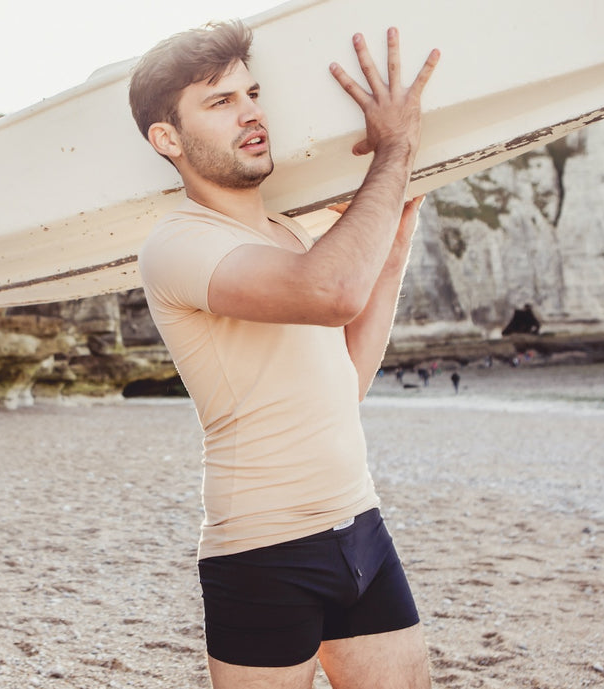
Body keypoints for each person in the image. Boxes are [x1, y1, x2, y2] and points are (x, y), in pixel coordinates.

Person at [130, 20, 439, 689]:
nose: (251, 113)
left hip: (361, 527)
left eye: (252, 93)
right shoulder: (177, 244)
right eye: (220, 102)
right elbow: (330, 290)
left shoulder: (295, 232)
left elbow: (343, 383)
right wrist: (393, 150)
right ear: (167, 139)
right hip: (263, 552)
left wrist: (391, 259)